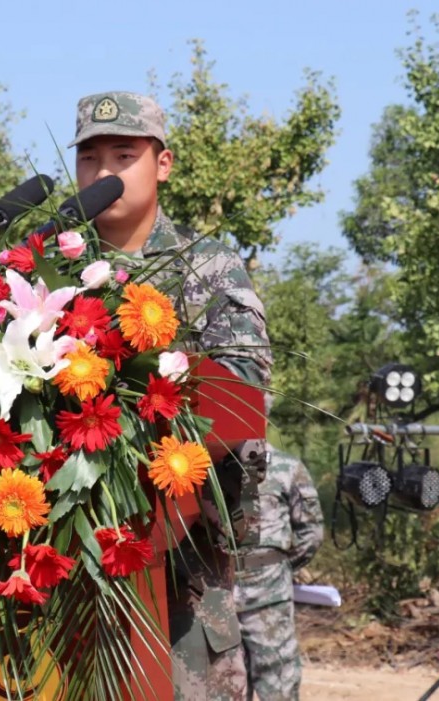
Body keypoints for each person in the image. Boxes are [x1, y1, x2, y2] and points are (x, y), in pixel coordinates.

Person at [71, 91, 273, 701]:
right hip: (64, 569)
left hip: (181, 568)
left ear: (162, 164)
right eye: (90, 158)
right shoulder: (47, 266)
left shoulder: (206, 265)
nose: (103, 173)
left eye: (123, 156)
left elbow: (244, 392)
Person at [234, 448, 324, 700]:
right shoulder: (205, 463)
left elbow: (311, 534)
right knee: (228, 685)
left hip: (266, 597)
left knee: (277, 685)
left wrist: (279, 569)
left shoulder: (287, 466)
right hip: (219, 597)